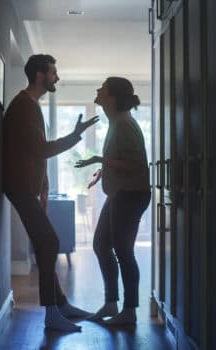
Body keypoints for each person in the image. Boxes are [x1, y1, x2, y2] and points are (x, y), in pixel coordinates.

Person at [3, 54, 98, 332]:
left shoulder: (31, 105)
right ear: (40, 75)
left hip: (25, 188)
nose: (57, 77)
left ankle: (61, 306)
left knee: (46, 244)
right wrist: (75, 134)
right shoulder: (24, 107)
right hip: (19, 187)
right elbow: (41, 150)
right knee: (50, 242)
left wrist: (43, 188)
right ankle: (53, 314)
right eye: (53, 72)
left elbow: (34, 152)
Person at [75, 77, 151, 326]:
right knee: (100, 244)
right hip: (121, 193)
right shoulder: (116, 122)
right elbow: (121, 160)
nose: (98, 89)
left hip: (131, 194)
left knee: (123, 251)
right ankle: (111, 303)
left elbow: (136, 165)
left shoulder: (124, 124)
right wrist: (103, 171)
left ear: (113, 96)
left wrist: (99, 160)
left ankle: (129, 311)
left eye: (103, 87)